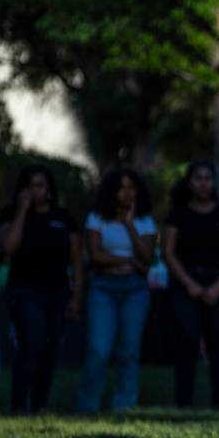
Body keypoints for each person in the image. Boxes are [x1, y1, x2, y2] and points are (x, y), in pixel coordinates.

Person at [0, 165, 83, 413]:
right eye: (30, 185)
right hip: (24, 292)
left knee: (49, 348)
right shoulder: (10, 215)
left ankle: (39, 405)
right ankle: (18, 405)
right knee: (31, 343)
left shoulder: (63, 218)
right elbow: (9, 247)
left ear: (49, 189)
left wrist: (76, 297)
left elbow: (77, 260)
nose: (36, 191)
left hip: (57, 292)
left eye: (40, 185)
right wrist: (23, 210)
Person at [162, 159, 219, 407]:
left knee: (218, 344)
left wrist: (218, 286)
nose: (203, 183)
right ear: (189, 182)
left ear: (214, 182)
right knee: (186, 342)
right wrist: (189, 284)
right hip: (186, 284)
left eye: (208, 178)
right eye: (198, 178)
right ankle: (183, 402)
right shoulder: (177, 215)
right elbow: (168, 252)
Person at [77, 167, 156, 413]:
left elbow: (148, 257)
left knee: (129, 350)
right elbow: (95, 256)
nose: (126, 193)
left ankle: (125, 404)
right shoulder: (97, 218)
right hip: (103, 287)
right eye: (121, 187)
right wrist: (129, 261)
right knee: (99, 349)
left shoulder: (145, 221)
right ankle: (88, 404)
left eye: (131, 187)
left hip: (135, 289)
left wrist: (129, 224)